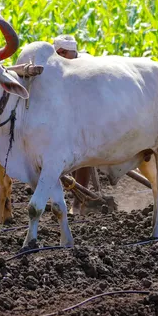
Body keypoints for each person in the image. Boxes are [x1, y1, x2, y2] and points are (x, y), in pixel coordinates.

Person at [52, 34, 98, 213]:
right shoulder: (56, 69)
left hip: (89, 121)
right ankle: (76, 196)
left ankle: (78, 202)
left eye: (66, 54)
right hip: (66, 120)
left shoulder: (84, 67)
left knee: (82, 156)